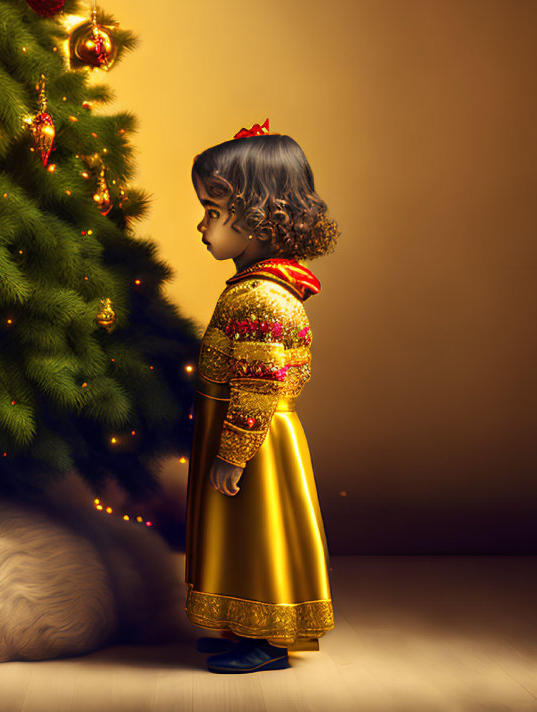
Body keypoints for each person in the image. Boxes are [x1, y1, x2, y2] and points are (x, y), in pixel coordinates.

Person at [184, 119, 339, 673]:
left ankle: (267, 638)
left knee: (257, 530)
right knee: (238, 533)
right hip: (240, 430)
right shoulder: (256, 288)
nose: (201, 225)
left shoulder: (261, 299)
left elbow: (260, 384)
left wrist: (234, 451)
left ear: (254, 220)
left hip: (256, 441)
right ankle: (242, 625)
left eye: (212, 212)